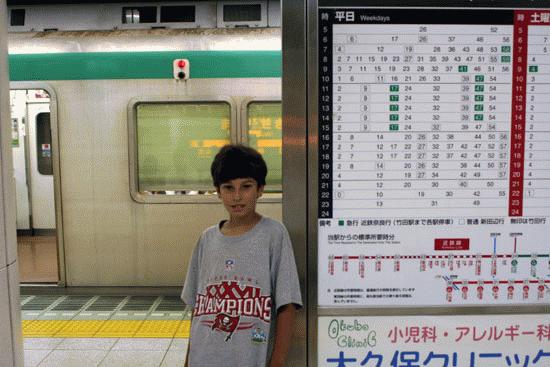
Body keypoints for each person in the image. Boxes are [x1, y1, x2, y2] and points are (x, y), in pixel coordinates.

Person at [181, 144, 302, 367]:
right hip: (204, 358)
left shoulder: (274, 235)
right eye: (228, 188)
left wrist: (277, 362)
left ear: (260, 189)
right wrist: (188, 361)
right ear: (218, 191)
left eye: (246, 186)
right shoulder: (206, 239)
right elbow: (198, 309)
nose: (237, 196)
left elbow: (287, 305)